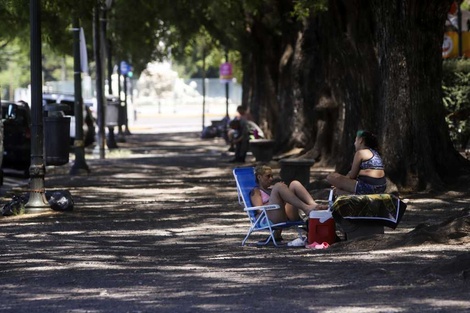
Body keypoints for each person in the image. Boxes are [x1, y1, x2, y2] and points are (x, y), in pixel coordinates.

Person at [250, 165, 328, 230]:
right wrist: (276, 197)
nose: (271, 179)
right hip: (267, 219)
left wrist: (283, 195)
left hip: (285, 215)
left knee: (294, 184)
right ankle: (306, 208)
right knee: (278, 186)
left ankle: (314, 205)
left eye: (272, 176)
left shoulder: (271, 189)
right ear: (259, 177)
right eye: (268, 176)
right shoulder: (256, 191)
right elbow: (259, 210)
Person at [326, 130, 387, 195]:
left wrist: (339, 182)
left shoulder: (360, 153)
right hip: (381, 187)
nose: (354, 143)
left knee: (330, 177)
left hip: (368, 187)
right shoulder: (375, 153)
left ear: (361, 140)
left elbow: (352, 176)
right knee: (338, 191)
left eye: (355, 140)